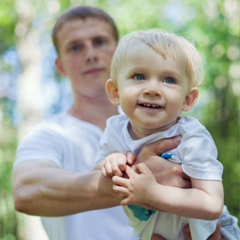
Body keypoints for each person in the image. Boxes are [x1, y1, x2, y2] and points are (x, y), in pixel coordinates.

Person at [12, 5, 239, 240]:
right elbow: (25, 192)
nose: (90, 54)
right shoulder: (50, 133)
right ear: (60, 66)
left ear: (116, 51)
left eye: (100, 42)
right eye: (75, 47)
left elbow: (210, 202)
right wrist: (129, 175)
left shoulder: (182, 130)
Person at [96, 29, 239, 239]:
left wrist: (152, 193)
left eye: (169, 80)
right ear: (115, 92)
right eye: (139, 76)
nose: (152, 89)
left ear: (188, 99)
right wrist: (111, 161)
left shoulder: (191, 137)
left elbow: (212, 204)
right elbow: (95, 174)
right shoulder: (115, 131)